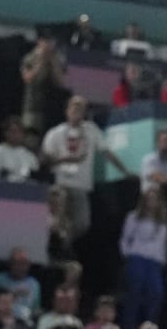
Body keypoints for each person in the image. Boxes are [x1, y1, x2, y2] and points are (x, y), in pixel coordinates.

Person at [41, 96, 134, 239]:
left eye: (81, 107)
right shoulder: (55, 133)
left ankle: (63, 242)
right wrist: (66, 159)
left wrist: (124, 171)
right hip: (60, 184)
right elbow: (45, 160)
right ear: (67, 110)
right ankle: (56, 246)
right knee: (54, 223)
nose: (77, 109)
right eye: (74, 106)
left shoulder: (91, 130)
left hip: (81, 185)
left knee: (82, 224)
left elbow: (107, 152)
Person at [118, 189, 167, 329]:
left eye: (155, 199)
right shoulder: (134, 217)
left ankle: (150, 325)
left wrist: (162, 260)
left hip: (155, 263)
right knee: (134, 294)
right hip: (137, 259)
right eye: (149, 198)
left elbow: (162, 243)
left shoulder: (162, 221)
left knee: (156, 294)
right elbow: (125, 238)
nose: (152, 202)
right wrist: (128, 254)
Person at [0, 116, 39, 182]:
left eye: (19, 131)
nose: (16, 135)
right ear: (5, 133)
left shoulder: (30, 156)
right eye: (13, 131)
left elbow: (34, 178)